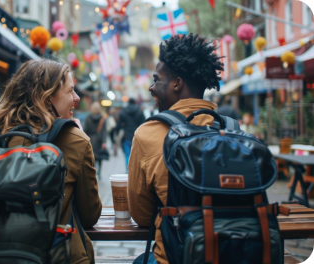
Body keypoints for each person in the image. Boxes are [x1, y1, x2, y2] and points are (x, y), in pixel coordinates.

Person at [0, 59, 102, 264]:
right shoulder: (76, 139)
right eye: (70, 91)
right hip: (60, 255)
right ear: (48, 97)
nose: (76, 98)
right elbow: (90, 215)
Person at [128, 33, 224, 264]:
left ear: (176, 84)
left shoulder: (148, 134)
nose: (151, 87)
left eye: (156, 79)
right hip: (238, 252)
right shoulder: (232, 130)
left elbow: (141, 216)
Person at [116, 98, 145, 171]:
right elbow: (144, 124)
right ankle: (136, 172)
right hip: (137, 137)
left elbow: (119, 125)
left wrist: (116, 132)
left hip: (126, 137)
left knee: (127, 155)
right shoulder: (140, 112)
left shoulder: (123, 112)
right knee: (137, 155)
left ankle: (128, 172)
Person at [83, 102, 107, 179]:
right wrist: (104, 142)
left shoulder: (88, 118)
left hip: (90, 139)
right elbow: (104, 131)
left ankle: (93, 170)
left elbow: (84, 130)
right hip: (99, 140)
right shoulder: (102, 119)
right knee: (99, 156)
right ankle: (99, 172)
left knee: (91, 156)